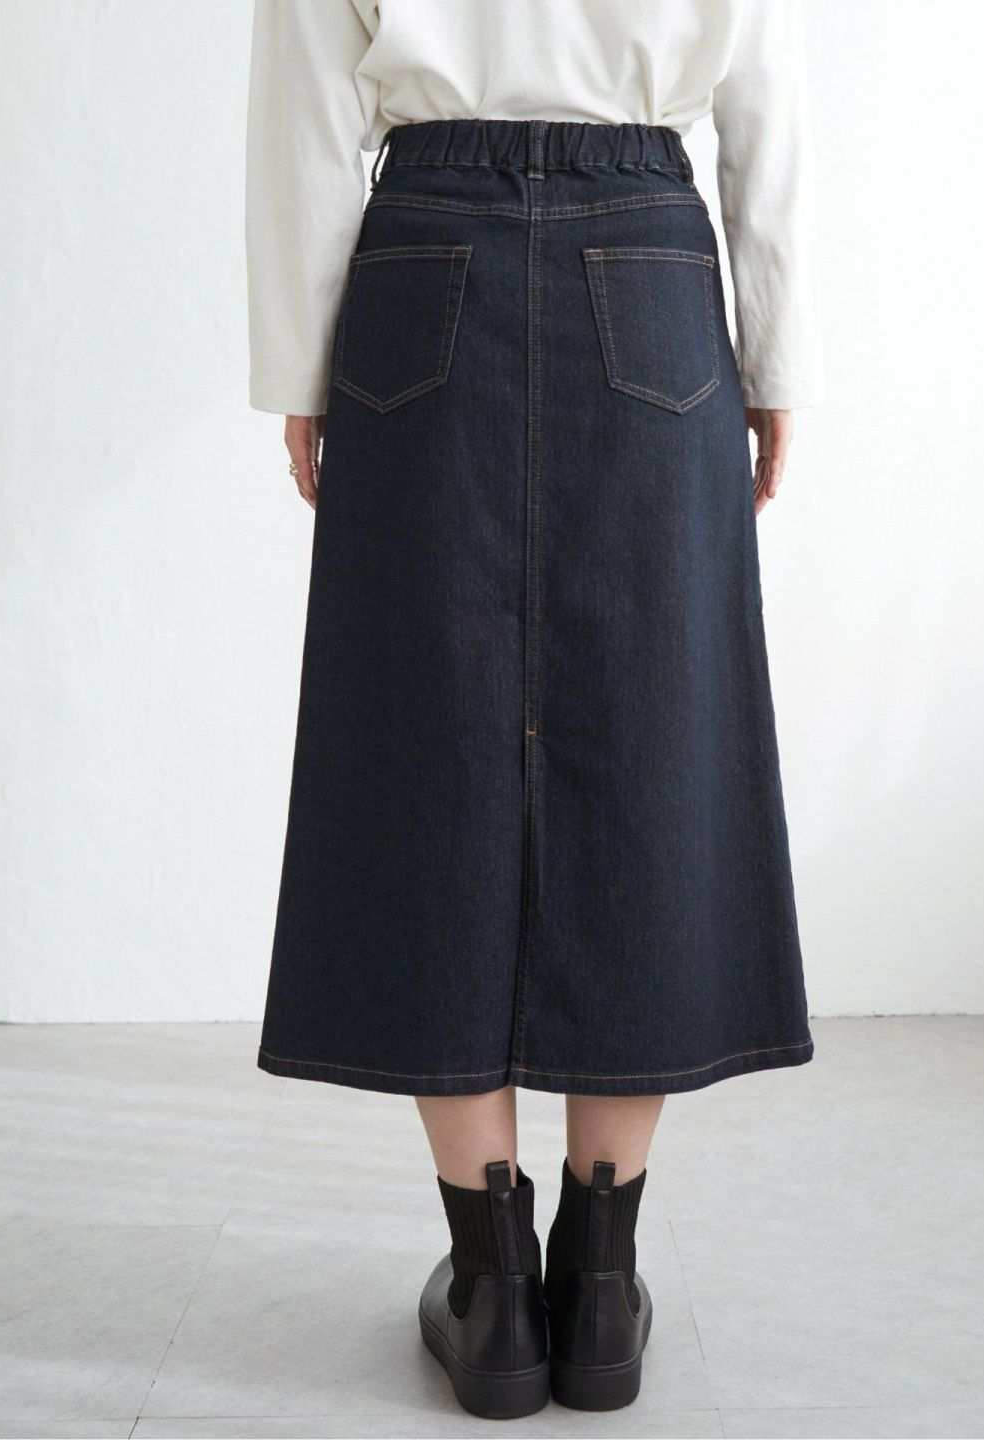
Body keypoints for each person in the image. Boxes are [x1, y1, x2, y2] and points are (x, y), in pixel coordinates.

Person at [245, 0, 822, 1419]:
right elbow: (767, 109)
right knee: (652, 741)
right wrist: (780, 359)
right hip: (651, 261)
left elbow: (306, 114)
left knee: (422, 740)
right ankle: (601, 1284)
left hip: (424, 258)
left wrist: (297, 364)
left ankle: (495, 1290)